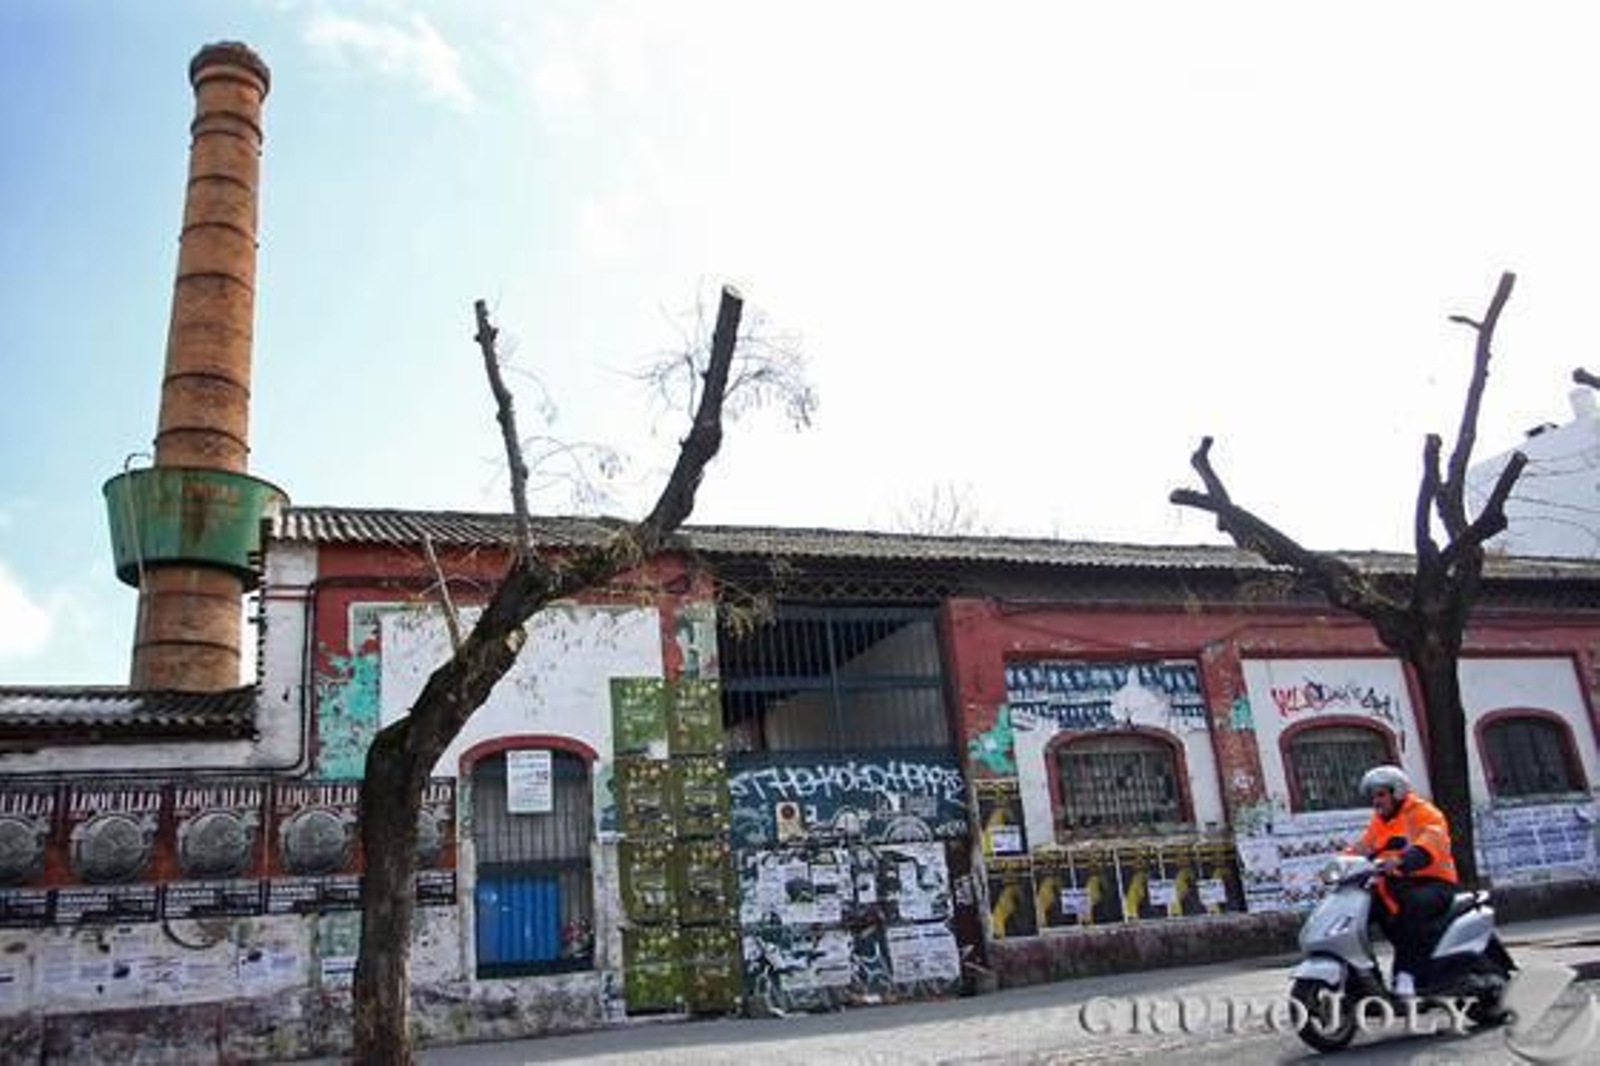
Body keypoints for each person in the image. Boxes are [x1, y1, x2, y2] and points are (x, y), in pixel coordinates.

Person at [1350, 765, 1459, 997]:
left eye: (1381, 794)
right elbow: (1364, 847)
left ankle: (1407, 977)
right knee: (1357, 911)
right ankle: (1362, 981)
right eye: (1373, 796)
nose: (1376, 801)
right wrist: (1339, 864)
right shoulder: (1379, 821)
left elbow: (1431, 841)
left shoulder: (1423, 813)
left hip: (1433, 883)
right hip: (1395, 885)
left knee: (1413, 906)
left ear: (1397, 792)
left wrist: (1403, 860)